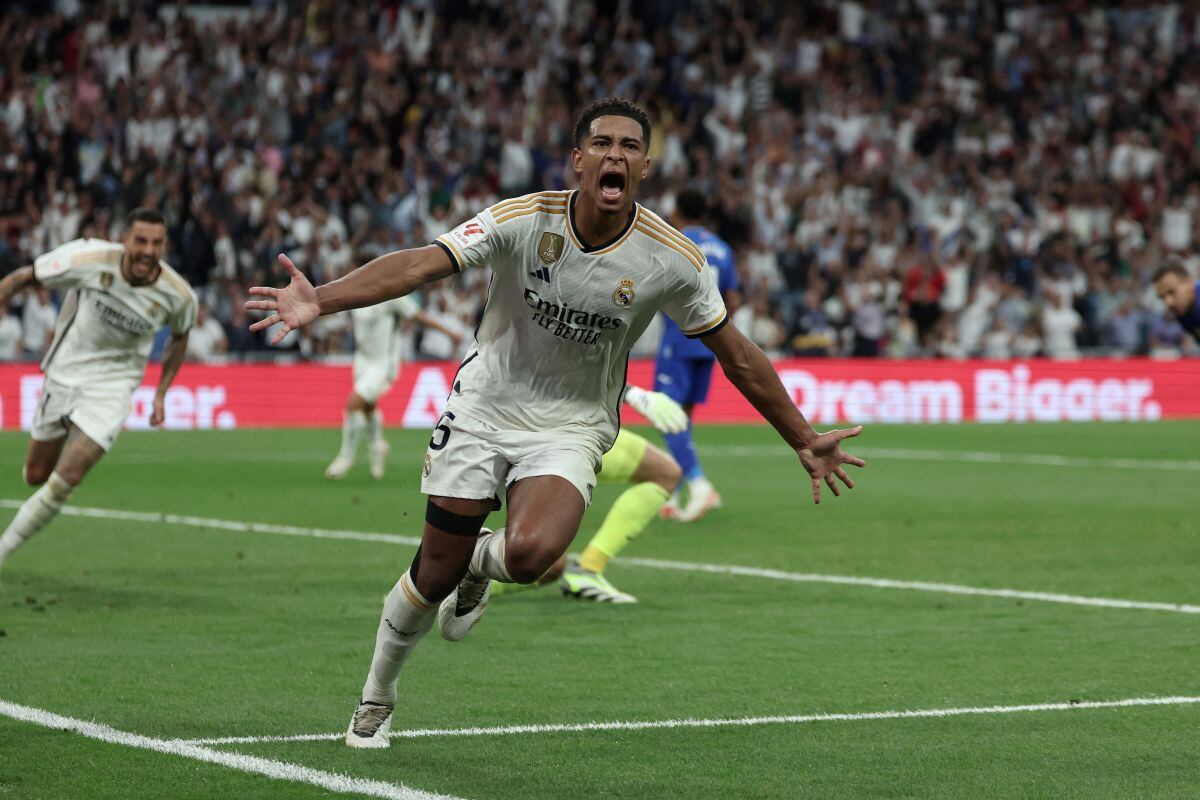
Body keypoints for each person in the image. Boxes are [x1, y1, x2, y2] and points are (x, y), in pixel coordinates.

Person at [245, 97, 865, 749]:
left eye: (629, 146)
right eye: (602, 143)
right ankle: (378, 694)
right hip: (485, 405)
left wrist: (802, 435)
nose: (615, 155)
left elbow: (734, 350)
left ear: (646, 167)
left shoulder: (671, 258)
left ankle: (481, 563)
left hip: (571, 424)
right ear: (577, 160)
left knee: (537, 554)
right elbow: (423, 263)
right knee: (431, 575)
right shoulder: (520, 219)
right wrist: (324, 298)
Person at [0, 208, 196, 581]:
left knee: (69, 474)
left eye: (156, 243)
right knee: (35, 475)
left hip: (114, 387)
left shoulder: (178, 295)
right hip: (65, 373)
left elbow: (181, 335)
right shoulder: (87, 258)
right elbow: (26, 277)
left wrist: (160, 394)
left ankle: (2, 551)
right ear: (124, 239)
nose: (147, 251)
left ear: (165, 246)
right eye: (140, 241)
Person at [494, 383, 688, 604]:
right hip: (535, 431)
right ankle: (462, 585)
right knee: (543, 563)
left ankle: (589, 568)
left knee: (665, 473)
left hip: (579, 428)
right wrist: (632, 394)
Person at [653, 189, 741, 522]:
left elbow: (657, 288)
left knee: (666, 415)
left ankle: (700, 486)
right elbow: (733, 298)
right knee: (682, 418)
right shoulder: (723, 248)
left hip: (679, 337)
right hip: (710, 340)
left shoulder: (672, 240)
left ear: (677, 210)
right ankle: (672, 493)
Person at [325, 296, 465, 480]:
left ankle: (346, 456)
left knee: (353, 404)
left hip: (383, 365)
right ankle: (377, 449)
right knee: (368, 407)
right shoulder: (360, 292)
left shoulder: (392, 295)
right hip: (361, 361)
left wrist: (449, 332)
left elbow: (418, 316)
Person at [1152, 259, 1200, 343]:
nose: (1168, 303)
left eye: (1172, 292)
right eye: (1162, 297)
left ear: (1189, 282)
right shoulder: (1182, 313)